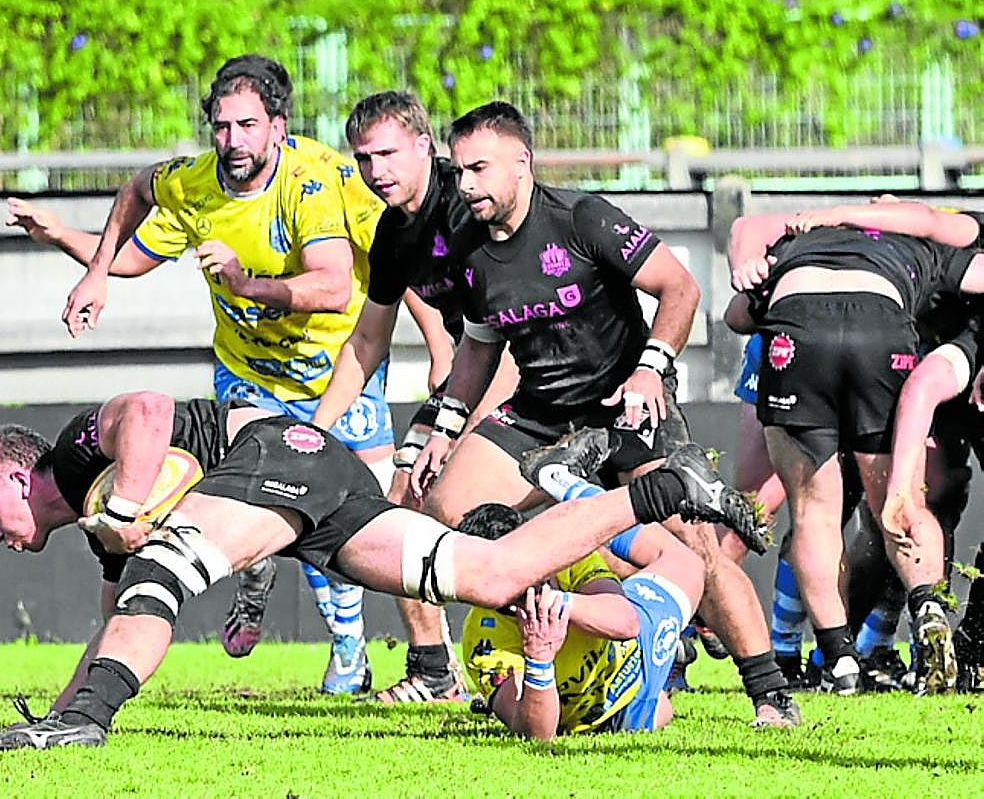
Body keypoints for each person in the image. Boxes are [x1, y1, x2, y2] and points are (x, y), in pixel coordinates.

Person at [0, 390, 763, 750]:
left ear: (13, 473)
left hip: (272, 451)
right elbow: (116, 622)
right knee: (486, 573)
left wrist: (130, 500)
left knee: (163, 564)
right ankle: (666, 487)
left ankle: (89, 729)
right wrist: (54, 706)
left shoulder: (69, 455)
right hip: (322, 479)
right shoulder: (101, 530)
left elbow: (147, 411)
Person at [5, 56, 403, 693]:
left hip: (337, 368)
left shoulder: (315, 179)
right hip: (247, 377)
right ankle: (344, 651)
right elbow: (138, 193)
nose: (232, 140)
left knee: (370, 508)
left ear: (279, 126)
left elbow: (336, 286)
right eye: (221, 126)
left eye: (247, 125)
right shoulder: (195, 184)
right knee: (266, 499)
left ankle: (393, 648)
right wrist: (90, 264)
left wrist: (244, 281)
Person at [408, 101, 798, 726]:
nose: (467, 186)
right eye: (458, 173)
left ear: (522, 163)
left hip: (625, 407)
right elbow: (480, 345)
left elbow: (682, 288)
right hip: (539, 415)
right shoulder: (468, 248)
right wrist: (444, 427)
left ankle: (769, 692)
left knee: (696, 546)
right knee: (449, 515)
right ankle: (517, 669)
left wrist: (651, 369)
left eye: (479, 169)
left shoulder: (582, 217)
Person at [311, 91, 519, 704]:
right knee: (398, 510)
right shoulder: (394, 234)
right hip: (475, 377)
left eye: (388, 154)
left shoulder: (470, 207)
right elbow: (367, 341)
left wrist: (464, 426)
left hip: (531, 374)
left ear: (426, 146)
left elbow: (511, 322)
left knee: (468, 511)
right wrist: (315, 430)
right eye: (363, 159)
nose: (377, 172)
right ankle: (433, 670)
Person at [725, 204, 984, 695]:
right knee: (902, 498)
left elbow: (741, 313)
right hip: (880, 325)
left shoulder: (799, 239)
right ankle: (926, 602)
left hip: (797, 326)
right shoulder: (927, 247)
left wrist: (747, 268)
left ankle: (837, 658)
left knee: (811, 513)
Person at [459, 501, 704, 737]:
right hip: (619, 710)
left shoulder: (566, 557)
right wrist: (539, 658)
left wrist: (557, 602)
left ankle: (581, 493)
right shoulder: (484, 640)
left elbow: (626, 622)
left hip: (638, 649)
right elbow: (536, 734)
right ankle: (673, 658)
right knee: (662, 711)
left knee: (688, 563)